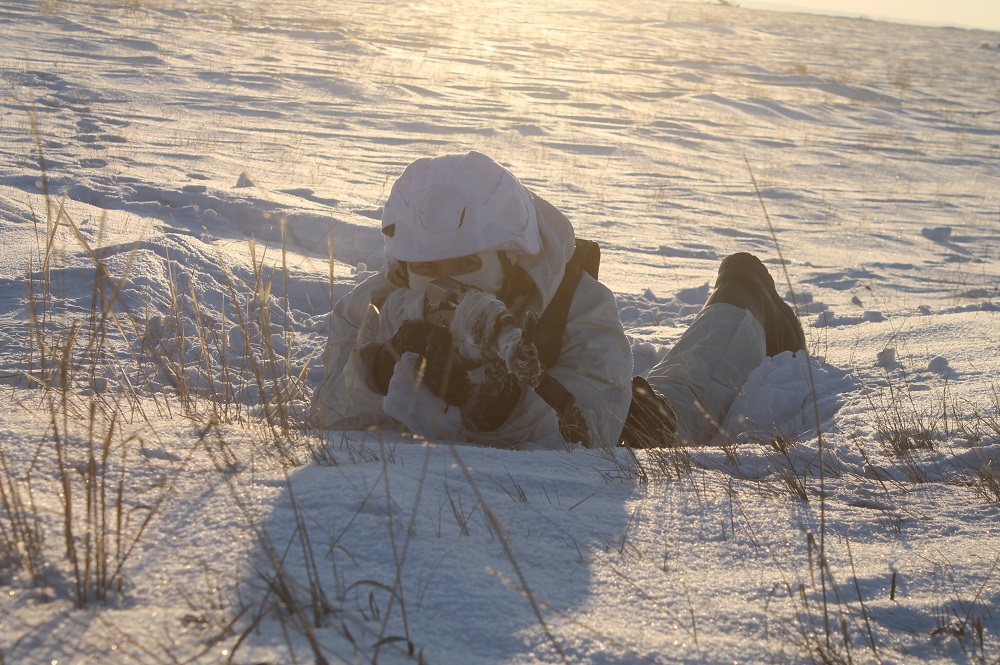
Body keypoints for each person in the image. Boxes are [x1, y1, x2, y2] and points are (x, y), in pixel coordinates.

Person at [310, 150, 807, 449]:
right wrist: (376, 370)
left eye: (466, 264)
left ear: (509, 259)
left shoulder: (577, 302)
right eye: (427, 268)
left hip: (630, 431)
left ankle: (746, 291)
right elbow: (326, 408)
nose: (447, 283)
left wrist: (497, 407)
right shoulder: (374, 307)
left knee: (691, 389)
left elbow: (592, 432)